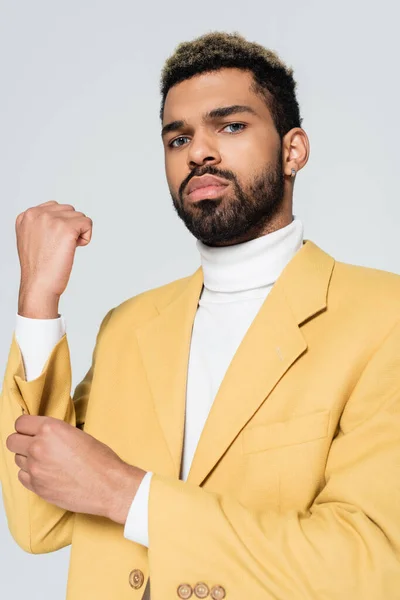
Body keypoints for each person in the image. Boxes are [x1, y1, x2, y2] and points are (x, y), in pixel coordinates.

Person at [1, 30, 400, 600]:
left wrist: (127, 495)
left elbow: (370, 567)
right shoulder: (129, 327)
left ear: (294, 150)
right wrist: (37, 303)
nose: (198, 151)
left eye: (230, 126)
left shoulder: (385, 319)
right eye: (177, 137)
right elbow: (39, 521)